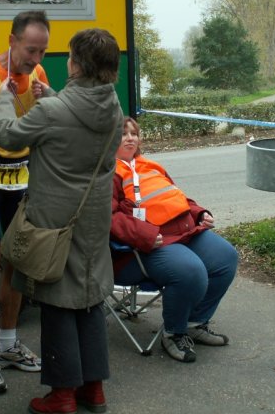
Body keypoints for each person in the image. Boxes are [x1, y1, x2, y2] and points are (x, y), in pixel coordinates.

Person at [0, 28, 123, 414]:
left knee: (58, 300)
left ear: (77, 65)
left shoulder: (52, 113)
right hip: (94, 217)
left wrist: (3, 100)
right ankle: (93, 389)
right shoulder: (112, 106)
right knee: (90, 294)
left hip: (54, 220)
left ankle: (63, 394)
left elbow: (7, 136)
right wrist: (51, 98)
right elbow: (78, 116)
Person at [110, 116, 238, 364]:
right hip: (142, 247)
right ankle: (174, 332)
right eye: (122, 134)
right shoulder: (108, 172)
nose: (130, 138)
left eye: (134, 133)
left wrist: (198, 212)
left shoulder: (150, 166)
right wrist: (145, 235)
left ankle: (195, 322)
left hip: (182, 232)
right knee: (191, 271)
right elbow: (109, 217)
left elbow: (175, 197)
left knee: (226, 258)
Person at [0, 10, 49, 393]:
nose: (36, 59)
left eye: (42, 51)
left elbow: (43, 126)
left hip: (21, 179)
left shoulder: (39, 76)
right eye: (30, 50)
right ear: (11, 40)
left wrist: (46, 100)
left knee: (16, 263)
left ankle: (7, 344)